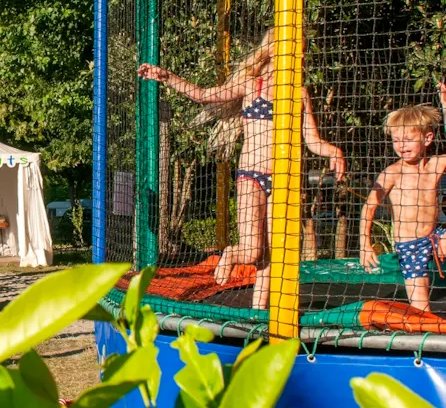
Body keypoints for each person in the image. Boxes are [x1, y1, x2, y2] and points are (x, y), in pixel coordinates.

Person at [138, 28, 346, 309]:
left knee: (271, 255)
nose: (297, 54)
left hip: (283, 181)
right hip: (251, 176)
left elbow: (312, 140)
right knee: (251, 251)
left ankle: (259, 312)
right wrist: (168, 77)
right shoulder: (252, 85)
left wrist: (334, 151)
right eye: (291, 47)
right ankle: (230, 255)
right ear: (272, 49)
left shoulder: (299, 93)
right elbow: (204, 95)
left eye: (300, 50)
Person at [360, 82, 446, 312]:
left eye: (407, 139)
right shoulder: (392, 173)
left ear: (427, 139)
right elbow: (369, 208)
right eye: (396, 140)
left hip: (435, 237)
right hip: (410, 246)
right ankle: (422, 340)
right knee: (420, 308)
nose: (401, 145)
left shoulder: (436, 165)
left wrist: (445, 106)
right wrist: (364, 244)